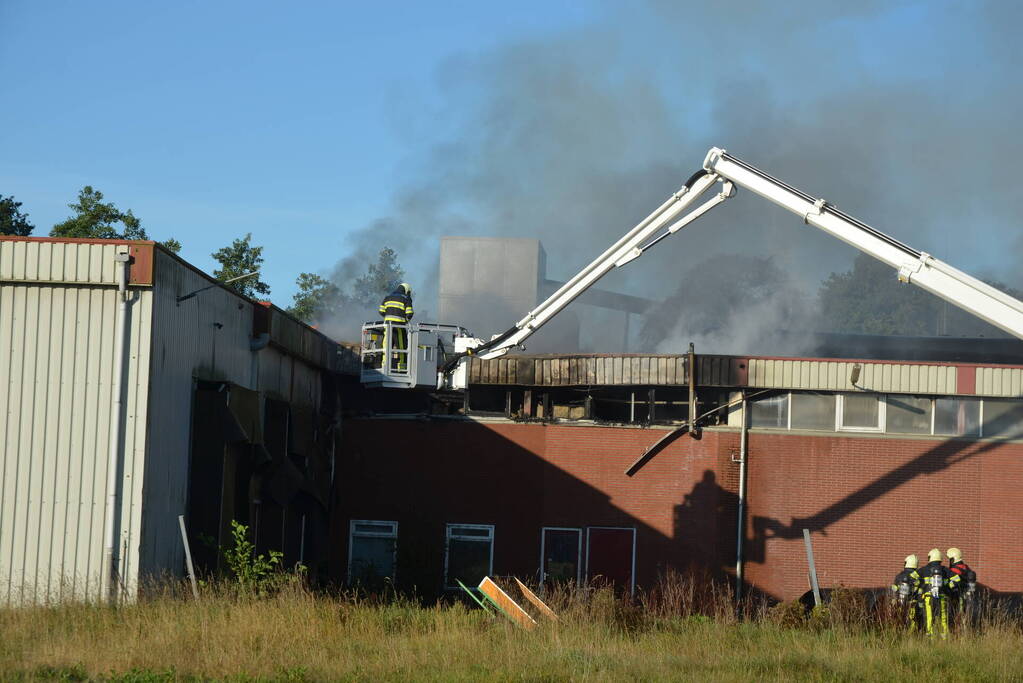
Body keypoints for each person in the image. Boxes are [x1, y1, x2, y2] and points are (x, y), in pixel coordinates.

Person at [917, 548, 959, 638]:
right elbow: (957, 580)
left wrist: (920, 588)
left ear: (930, 558)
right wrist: (948, 586)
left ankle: (930, 636)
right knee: (943, 618)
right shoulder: (945, 570)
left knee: (929, 617)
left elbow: (912, 578)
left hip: (928, 597)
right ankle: (945, 637)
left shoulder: (923, 570)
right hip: (942, 597)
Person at [378, 283, 414, 371]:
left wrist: (388, 316)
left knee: (386, 345)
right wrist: (406, 319)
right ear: (406, 290)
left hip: (388, 326)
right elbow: (409, 313)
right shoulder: (406, 298)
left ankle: (384, 365)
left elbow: (381, 311)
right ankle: (401, 368)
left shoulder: (388, 297)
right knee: (401, 347)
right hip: (399, 326)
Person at [946, 547, 977, 629]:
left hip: (958, 596)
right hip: (967, 596)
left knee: (956, 616)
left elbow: (953, 583)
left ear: (953, 559)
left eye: (950, 559)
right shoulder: (965, 567)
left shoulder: (954, 570)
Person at [890, 554, 922, 631]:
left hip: (900, 602)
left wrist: (894, 600)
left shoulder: (899, 576)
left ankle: (899, 632)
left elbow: (894, 589)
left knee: (900, 618)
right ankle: (911, 634)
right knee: (912, 620)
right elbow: (920, 591)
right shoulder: (917, 576)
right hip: (913, 603)